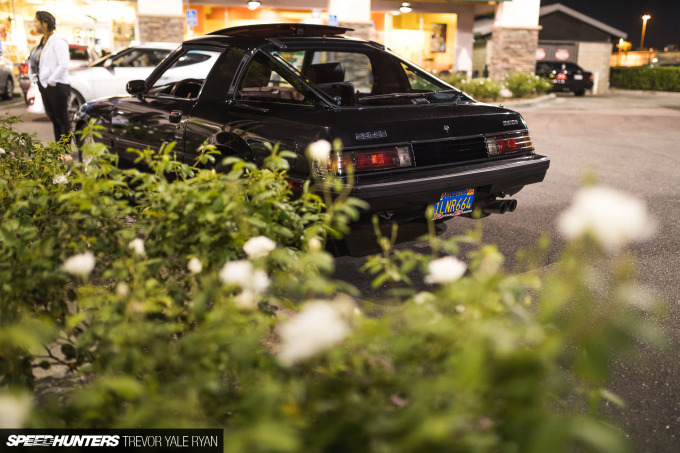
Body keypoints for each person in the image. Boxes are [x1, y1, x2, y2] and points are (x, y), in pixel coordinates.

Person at [28, 11, 71, 145]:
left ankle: (65, 150)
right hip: (46, 86)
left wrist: (50, 81)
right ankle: (59, 149)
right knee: (54, 118)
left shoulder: (57, 41)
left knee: (62, 119)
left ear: (45, 23)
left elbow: (64, 64)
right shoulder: (43, 42)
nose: (34, 24)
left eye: (36, 21)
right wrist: (36, 78)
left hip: (57, 85)